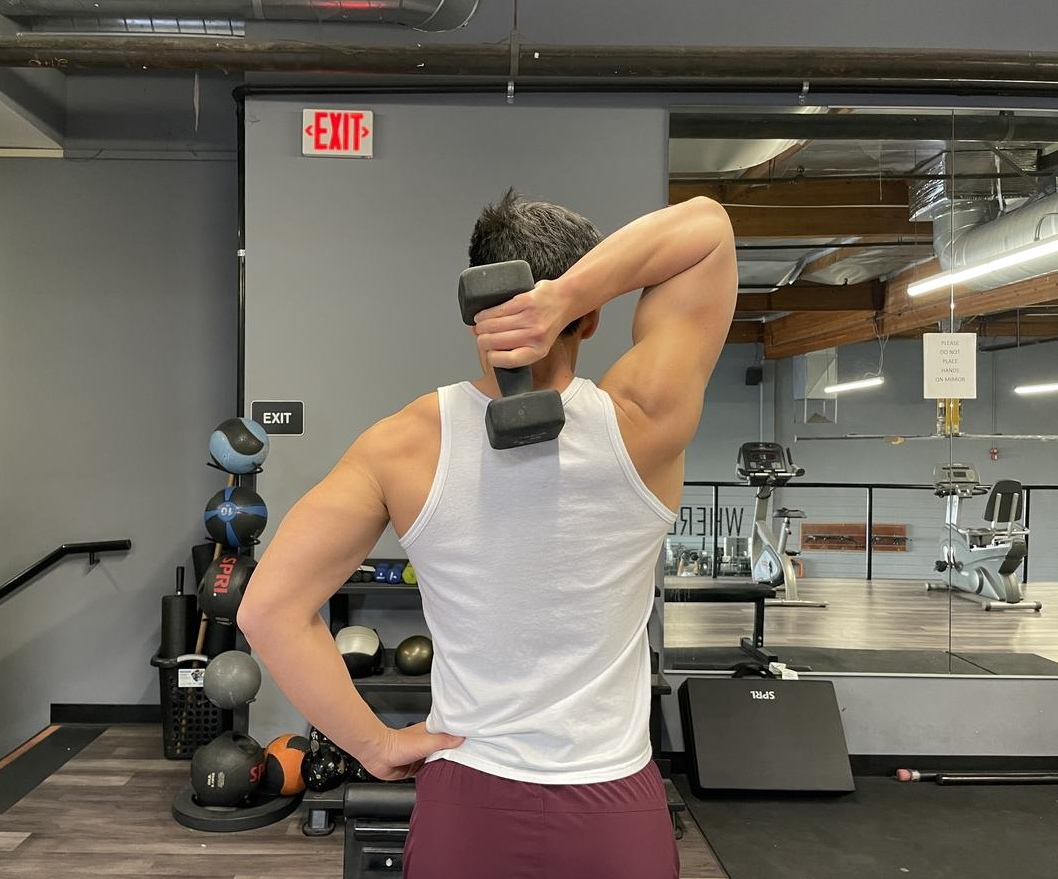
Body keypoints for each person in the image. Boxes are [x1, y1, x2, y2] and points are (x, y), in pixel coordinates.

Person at [239, 189, 737, 878]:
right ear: (590, 316)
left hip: (467, 797)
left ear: (474, 311)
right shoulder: (646, 420)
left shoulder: (400, 445)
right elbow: (708, 230)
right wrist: (565, 295)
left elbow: (265, 609)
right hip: (614, 807)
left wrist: (376, 745)